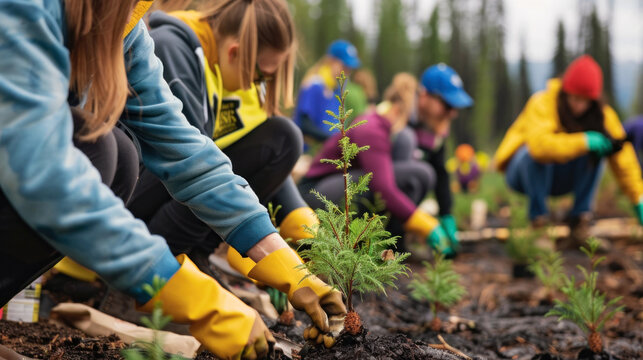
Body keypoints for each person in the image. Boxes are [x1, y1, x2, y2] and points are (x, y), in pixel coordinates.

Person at [0, 1, 343, 359]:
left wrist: (280, 257)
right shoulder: (27, 8)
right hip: (32, 175)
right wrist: (182, 290)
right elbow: (41, 169)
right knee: (101, 151)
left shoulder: (125, 30)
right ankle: (131, 289)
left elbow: (184, 150)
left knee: (112, 152)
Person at [127, 0, 319, 288]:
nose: (255, 86)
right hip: (127, 194)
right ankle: (155, 277)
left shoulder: (225, 66)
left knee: (282, 135)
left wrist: (300, 224)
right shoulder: (172, 48)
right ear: (235, 52)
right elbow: (189, 163)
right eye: (260, 76)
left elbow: (270, 148)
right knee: (200, 165)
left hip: (153, 185)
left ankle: (195, 260)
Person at [300, 73, 456, 256]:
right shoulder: (373, 128)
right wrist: (428, 226)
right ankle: (361, 250)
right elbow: (383, 187)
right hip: (315, 194)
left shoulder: (380, 124)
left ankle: (389, 249)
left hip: (332, 187)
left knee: (418, 173)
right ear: (399, 111)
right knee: (419, 174)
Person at [494, 55, 643, 240]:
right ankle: (539, 226)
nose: (579, 106)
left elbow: (623, 156)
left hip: (562, 178)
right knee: (533, 153)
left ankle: (579, 223)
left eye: (585, 101)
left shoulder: (603, 115)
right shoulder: (542, 102)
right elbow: (540, 147)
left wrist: (638, 197)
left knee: (598, 152)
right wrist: (583, 141)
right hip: (521, 174)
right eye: (575, 99)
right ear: (566, 92)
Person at [411, 64, 474, 256]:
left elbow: (440, 172)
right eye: (447, 105)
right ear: (424, 97)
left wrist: (446, 214)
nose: (452, 113)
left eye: (454, 107)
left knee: (428, 174)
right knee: (420, 175)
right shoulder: (399, 125)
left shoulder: (435, 131)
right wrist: (425, 225)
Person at [294, 39, 361, 145]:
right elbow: (305, 124)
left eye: (350, 69)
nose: (347, 72)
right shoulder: (314, 85)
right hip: (307, 152)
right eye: (344, 66)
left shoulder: (336, 89)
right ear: (331, 61)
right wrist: (335, 139)